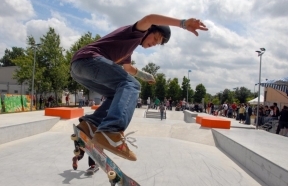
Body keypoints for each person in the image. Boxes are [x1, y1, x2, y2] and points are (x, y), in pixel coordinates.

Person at [70, 14, 208, 161]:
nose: (154, 43)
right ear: (148, 30)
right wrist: (183, 23)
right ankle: (112, 131)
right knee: (132, 85)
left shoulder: (128, 49)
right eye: (155, 38)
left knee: (116, 94)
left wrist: (146, 75)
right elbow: (149, 18)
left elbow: (128, 68)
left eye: (157, 43)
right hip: (89, 60)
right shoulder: (135, 32)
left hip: (78, 68)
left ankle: (90, 125)